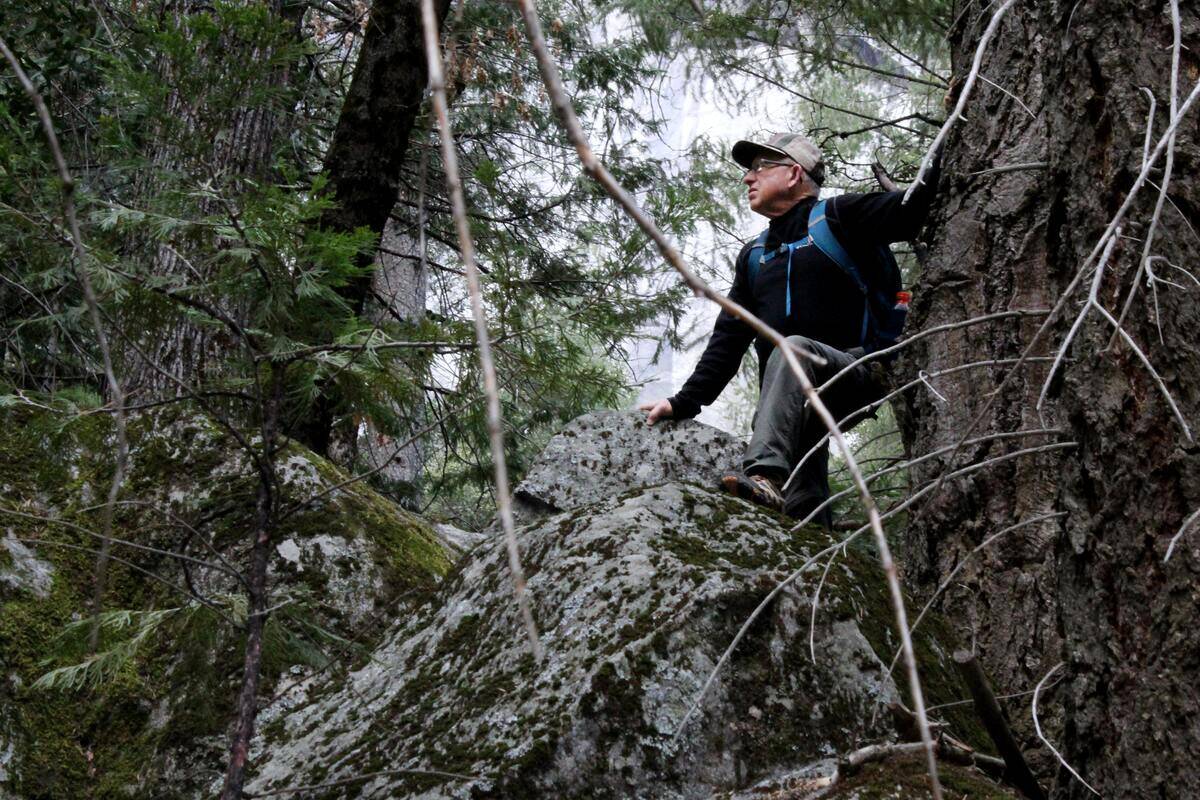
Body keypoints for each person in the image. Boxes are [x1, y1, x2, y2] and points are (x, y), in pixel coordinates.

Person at [639, 132, 939, 524]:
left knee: (793, 350)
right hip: (792, 404)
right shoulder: (755, 256)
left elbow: (911, 210)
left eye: (760, 168)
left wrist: (953, 132)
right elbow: (729, 339)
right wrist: (684, 402)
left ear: (795, 173)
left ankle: (763, 474)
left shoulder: (840, 217)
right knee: (801, 508)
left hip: (860, 371)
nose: (748, 178)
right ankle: (812, 556)